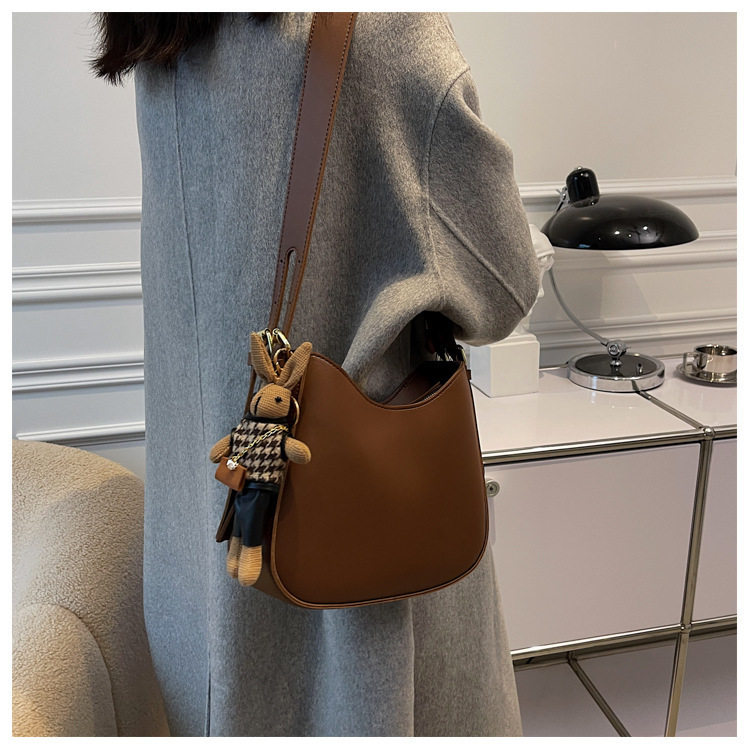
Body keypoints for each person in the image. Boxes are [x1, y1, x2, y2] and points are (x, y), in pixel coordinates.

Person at [92, 11, 540, 737]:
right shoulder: (387, 32)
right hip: (353, 566)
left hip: (194, 560)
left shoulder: (162, 37)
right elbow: (504, 285)